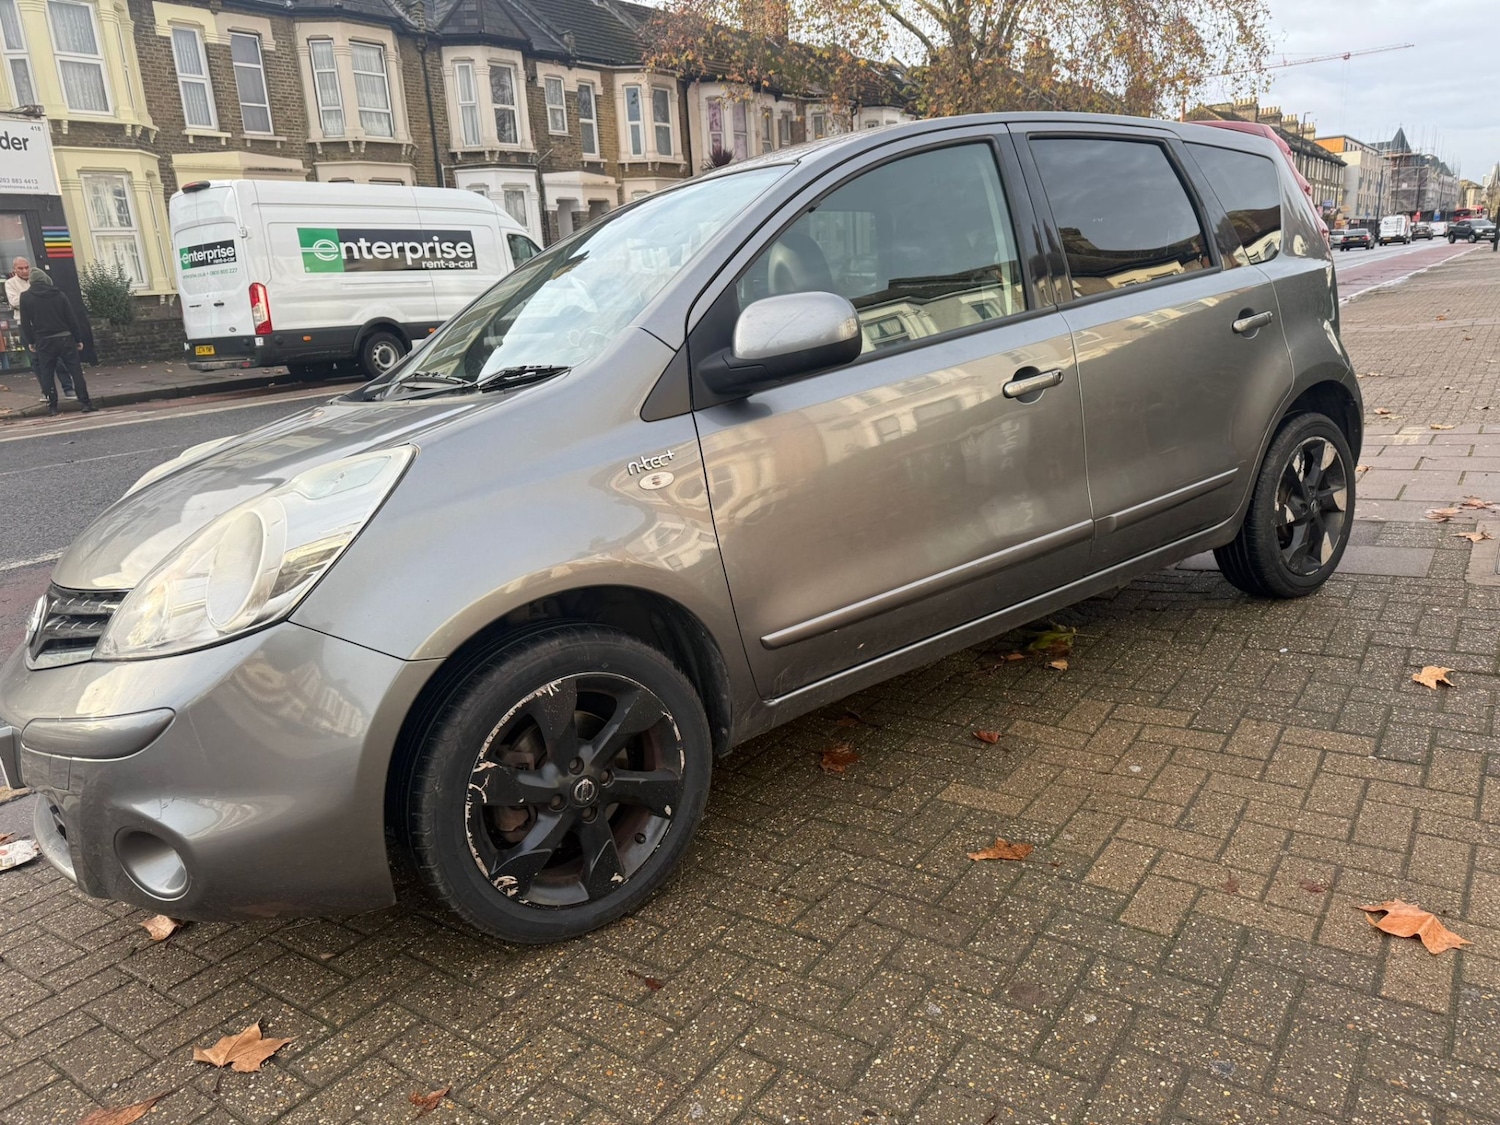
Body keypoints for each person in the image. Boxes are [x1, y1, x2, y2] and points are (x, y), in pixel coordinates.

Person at [19, 268, 95, 415]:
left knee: (47, 374)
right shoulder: (59, 294)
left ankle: (53, 406)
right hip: (65, 337)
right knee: (75, 371)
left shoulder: (25, 297)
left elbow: (25, 322)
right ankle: (85, 403)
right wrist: (77, 338)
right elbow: (71, 318)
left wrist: (31, 341)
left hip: (43, 340)